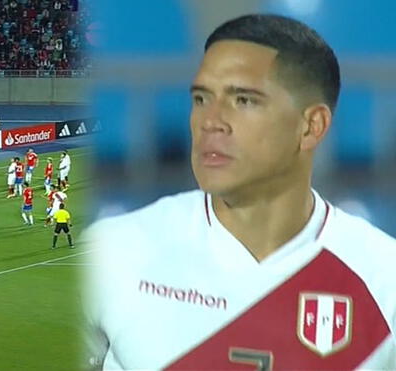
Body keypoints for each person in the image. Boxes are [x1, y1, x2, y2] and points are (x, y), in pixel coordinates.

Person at [85, 14, 396, 370]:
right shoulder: (112, 253)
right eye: (202, 99)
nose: (210, 120)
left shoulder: (384, 280)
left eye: (244, 100)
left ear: (312, 126)